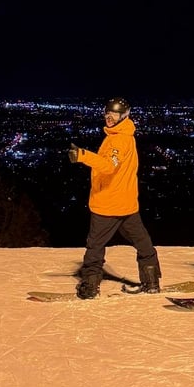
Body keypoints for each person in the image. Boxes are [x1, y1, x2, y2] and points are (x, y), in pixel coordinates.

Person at [68, 97, 161, 299]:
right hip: (126, 204)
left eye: (114, 114)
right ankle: (151, 282)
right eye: (107, 113)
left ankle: (90, 286)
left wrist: (83, 155)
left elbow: (109, 165)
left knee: (95, 247)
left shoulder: (119, 139)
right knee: (143, 243)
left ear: (124, 116)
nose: (109, 117)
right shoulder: (123, 135)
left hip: (109, 204)